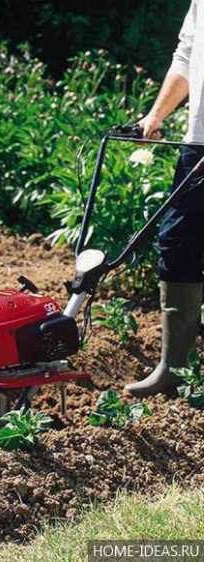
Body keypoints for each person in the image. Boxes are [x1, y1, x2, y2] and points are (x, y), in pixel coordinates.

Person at [126, 0, 204, 396]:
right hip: (198, 142)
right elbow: (187, 54)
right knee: (176, 245)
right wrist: (155, 117)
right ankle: (174, 369)